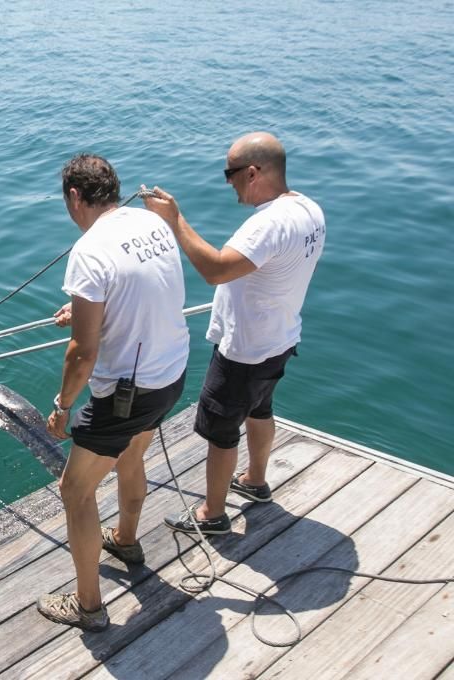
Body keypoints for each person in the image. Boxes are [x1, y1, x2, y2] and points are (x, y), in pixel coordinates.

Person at [141, 131, 326, 535]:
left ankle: (213, 513)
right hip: (280, 338)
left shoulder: (266, 224)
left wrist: (175, 220)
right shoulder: (309, 209)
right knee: (260, 409)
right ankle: (256, 481)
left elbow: (216, 270)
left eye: (231, 173)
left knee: (221, 432)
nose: (228, 182)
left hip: (244, 348)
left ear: (254, 172)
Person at [37, 154, 189, 632]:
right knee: (131, 457)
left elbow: (82, 353)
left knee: (75, 491)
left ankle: (88, 608)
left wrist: (62, 406)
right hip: (172, 374)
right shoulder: (150, 222)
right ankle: (124, 540)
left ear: (75, 197)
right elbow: (140, 287)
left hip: (127, 392)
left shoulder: (89, 251)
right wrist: (85, 305)